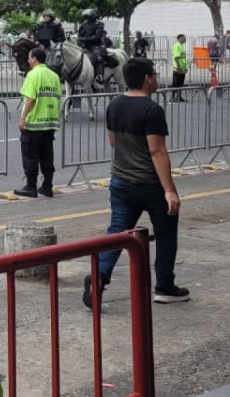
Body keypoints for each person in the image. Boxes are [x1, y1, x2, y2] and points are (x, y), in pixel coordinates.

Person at [84, 57, 189, 309]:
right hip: (149, 184)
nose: (156, 79)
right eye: (154, 74)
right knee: (165, 233)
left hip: (121, 181)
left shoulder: (114, 105)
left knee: (118, 232)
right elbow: (157, 151)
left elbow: (113, 141)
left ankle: (99, 276)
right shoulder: (152, 110)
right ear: (147, 78)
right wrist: (169, 190)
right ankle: (164, 286)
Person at [15, 46, 62, 198]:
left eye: (29, 57)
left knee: (30, 156)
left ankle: (31, 186)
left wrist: (23, 118)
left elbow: (30, 99)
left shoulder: (33, 74)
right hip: (50, 122)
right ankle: (47, 186)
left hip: (34, 123)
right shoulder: (54, 76)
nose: (28, 60)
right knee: (47, 155)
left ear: (34, 59)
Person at [77, 9, 108, 84]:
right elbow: (80, 35)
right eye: (85, 17)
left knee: (99, 58)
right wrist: (80, 41)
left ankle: (100, 75)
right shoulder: (83, 24)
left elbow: (97, 37)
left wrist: (84, 39)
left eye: (87, 16)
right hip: (84, 46)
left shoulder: (99, 24)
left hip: (96, 45)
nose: (86, 18)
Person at [170, 34, 188, 102]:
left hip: (182, 68)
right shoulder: (177, 46)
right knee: (175, 83)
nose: (185, 39)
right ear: (180, 38)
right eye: (184, 38)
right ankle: (172, 97)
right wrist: (179, 67)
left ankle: (179, 97)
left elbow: (182, 57)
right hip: (178, 68)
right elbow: (176, 58)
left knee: (180, 83)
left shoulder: (181, 46)